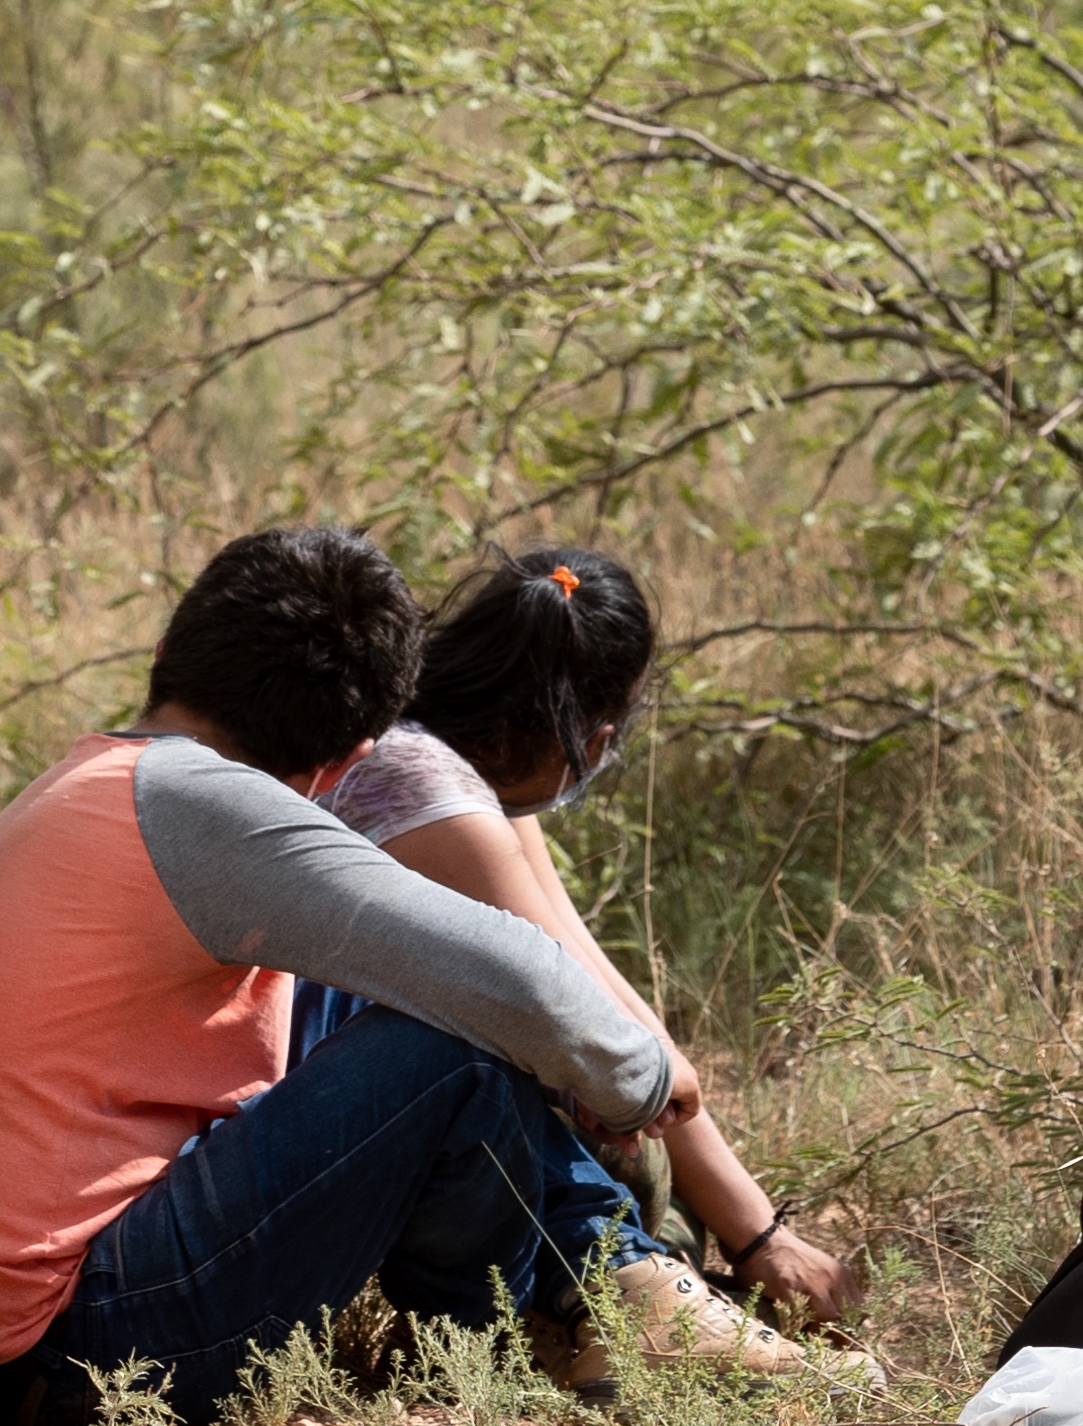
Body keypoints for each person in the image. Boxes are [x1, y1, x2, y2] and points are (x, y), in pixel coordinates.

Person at [0, 526, 836, 1426]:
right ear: (349, 757)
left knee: (393, 993)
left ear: (174, 653)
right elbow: (519, 983)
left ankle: (569, 1295)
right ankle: (511, 1328)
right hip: (79, 1350)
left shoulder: (111, 776)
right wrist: (644, 1083)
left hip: (25, 1339)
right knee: (451, 1046)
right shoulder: (213, 810)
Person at [306, 549, 874, 1331]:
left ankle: (638, 1280)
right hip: (330, 1114)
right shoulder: (430, 796)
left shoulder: (438, 759)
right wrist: (760, 1237)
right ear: (596, 734)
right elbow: (581, 1021)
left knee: (644, 1144)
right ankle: (606, 1297)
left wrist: (761, 1235)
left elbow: (605, 990)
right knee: (617, 1141)